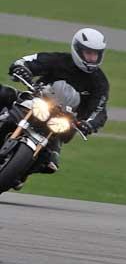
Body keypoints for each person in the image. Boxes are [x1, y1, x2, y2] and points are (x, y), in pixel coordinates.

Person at [0, 27, 109, 184]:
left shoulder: (100, 82)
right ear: (78, 49)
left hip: (64, 120)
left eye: (96, 54)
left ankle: (21, 173)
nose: (92, 57)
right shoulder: (59, 60)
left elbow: (100, 109)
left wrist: (89, 124)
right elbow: (28, 62)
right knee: (4, 94)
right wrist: (21, 69)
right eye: (88, 53)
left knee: (50, 162)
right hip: (39, 101)